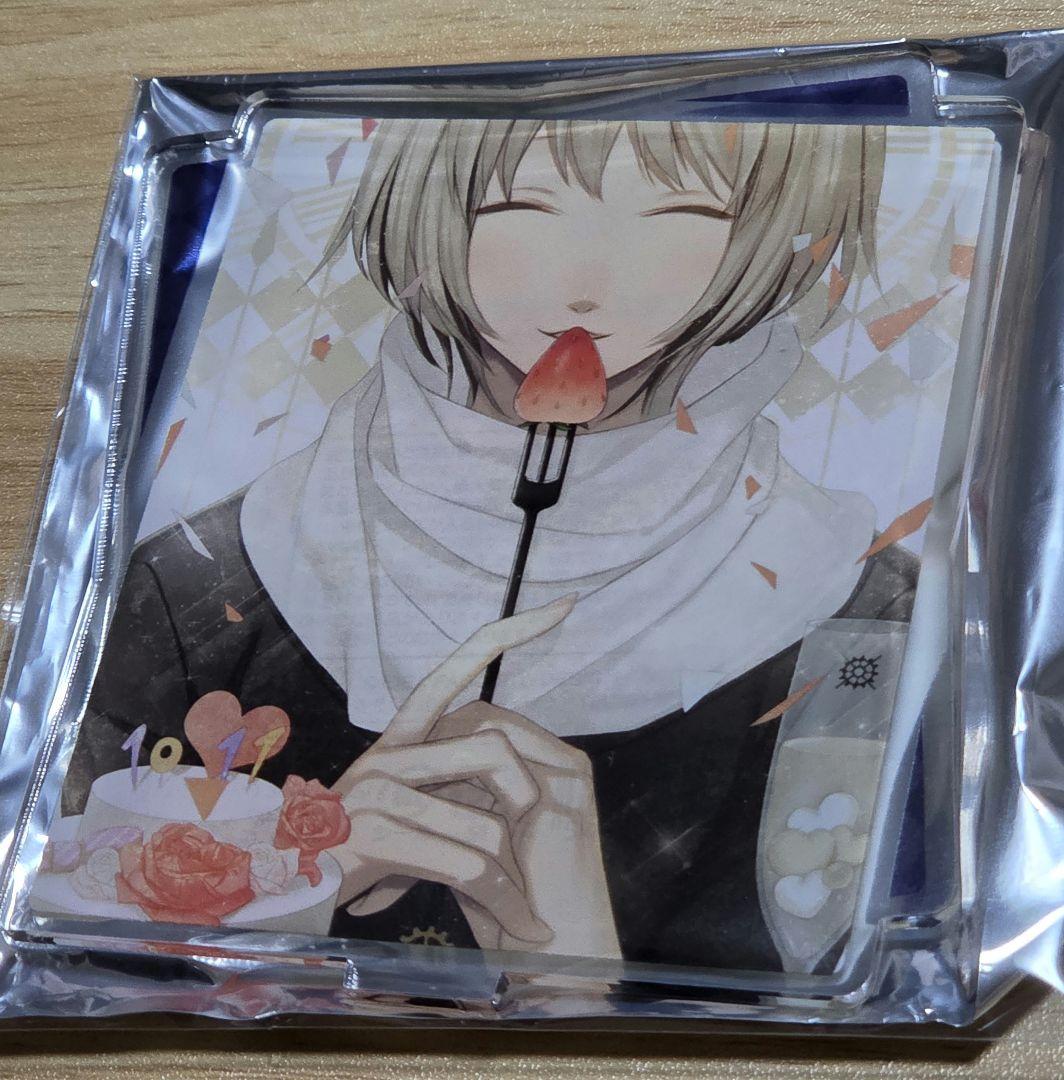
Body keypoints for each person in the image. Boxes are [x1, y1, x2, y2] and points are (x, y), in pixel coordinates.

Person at [63, 118, 916, 969]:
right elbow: (71, 948)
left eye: (683, 214)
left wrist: (579, 983)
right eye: (519, 206)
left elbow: (859, 982)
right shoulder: (201, 582)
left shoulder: (866, 614)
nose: (585, 285)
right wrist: (285, 902)